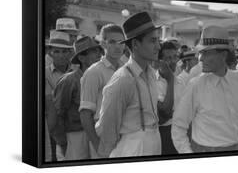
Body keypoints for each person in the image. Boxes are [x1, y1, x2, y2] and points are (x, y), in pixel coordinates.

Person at [172, 26, 238, 153]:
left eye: (206, 53)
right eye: (200, 53)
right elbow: (178, 126)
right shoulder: (196, 85)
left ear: (223, 55)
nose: (200, 58)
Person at [95, 12, 162, 158]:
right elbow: (107, 128)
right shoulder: (123, 79)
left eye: (158, 40)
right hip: (132, 148)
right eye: (152, 41)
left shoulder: (151, 73)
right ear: (136, 44)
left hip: (153, 143)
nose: (158, 46)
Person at [52, 36, 103, 160]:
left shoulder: (102, 76)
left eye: (98, 51)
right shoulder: (69, 81)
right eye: (93, 52)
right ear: (81, 58)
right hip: (75, 136)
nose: (99, 55)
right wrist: (63, 144)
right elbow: (57, 114)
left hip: (97, 134)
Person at [79, 24, 125, 158]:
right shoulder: (94, 72)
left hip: (125, 135)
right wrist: (97, 144)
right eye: (112, 42)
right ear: (103, 44)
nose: (118, 46)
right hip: (103, 136)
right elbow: (85, 113)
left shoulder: (126, 70)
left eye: (121, 42)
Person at [45, 30, 73, 161]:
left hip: (75, 127)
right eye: (57, 51)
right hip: (53, 129)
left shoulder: (78, 71)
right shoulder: (43, 73)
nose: (61, 55)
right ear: (50, 53)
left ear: (70, 53)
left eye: (64, 51)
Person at [156, 41, 184, 155]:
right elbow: (162, 117)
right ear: (159, 62)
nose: (173, 62)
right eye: (168, 58)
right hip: (163, 135)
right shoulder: (152, 83)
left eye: (174, 57)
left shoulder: (181, 82)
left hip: (180, 134)